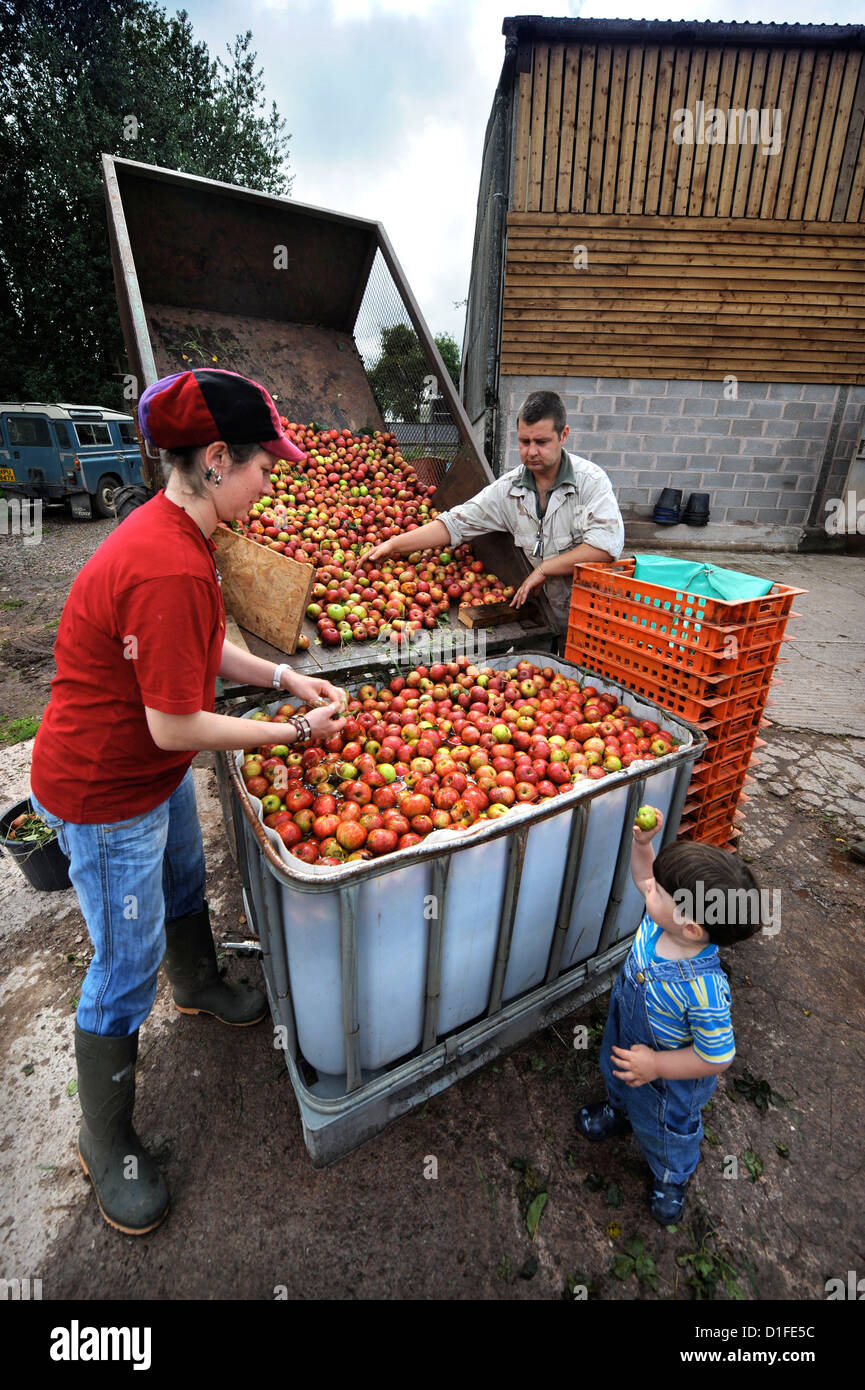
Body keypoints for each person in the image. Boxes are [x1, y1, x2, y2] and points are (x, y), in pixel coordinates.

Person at [29, 368, 347, 1236]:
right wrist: (290, 734)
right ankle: (106, 1141)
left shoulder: (178, 533)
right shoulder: (167, 560)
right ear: (215, 461)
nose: (268, 481)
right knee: (119, 964)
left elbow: (204, 652)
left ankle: (199, 981)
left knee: (179, 877)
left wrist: (283, 675)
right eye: (261, 467)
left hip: (144, 774)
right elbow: (174, 726)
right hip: (104, 788)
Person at [575, 810, 764, 1224]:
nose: (648, 891)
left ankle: (670, 1174)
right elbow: (645, 878)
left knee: (668, 1127)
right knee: (618, 1073)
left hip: (669, 1078)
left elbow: (717, 1057)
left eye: (659, 891)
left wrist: (657, 1064)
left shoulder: (705, 991)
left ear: (693, 928)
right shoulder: (662, 922)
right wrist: (643, 846)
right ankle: (618, 1110)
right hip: (627, 1032)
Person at [365, 390, 624, 632]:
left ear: (563, 435)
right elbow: (455, 524)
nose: (531, 451)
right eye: (524, 441)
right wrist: (394, 544)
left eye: (542, 442)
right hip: (541, 615)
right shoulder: (508, 490)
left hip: (587, 618)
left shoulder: (590, 481)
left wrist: (545, 568)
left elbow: (604, 546)